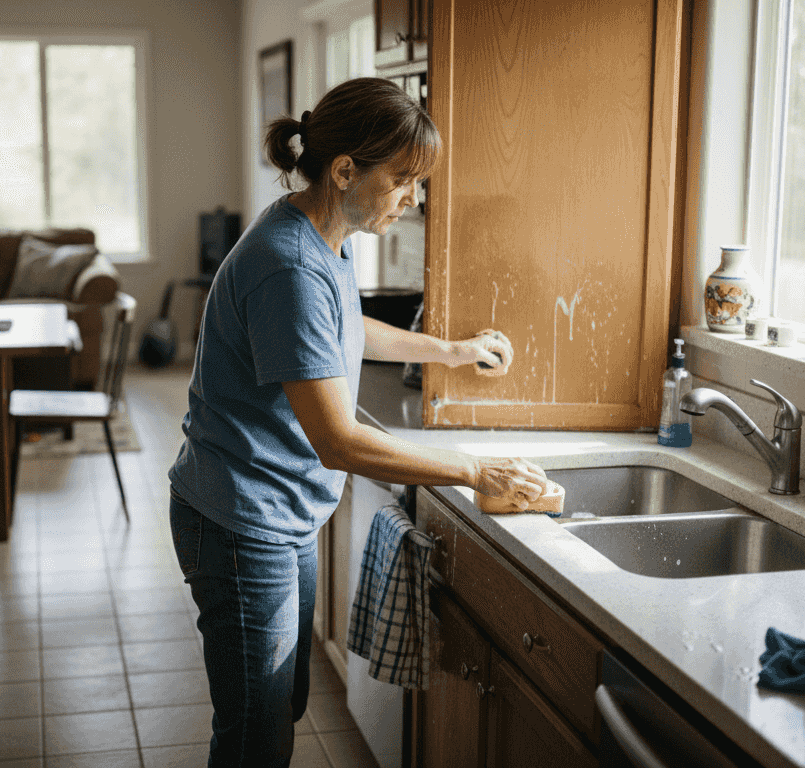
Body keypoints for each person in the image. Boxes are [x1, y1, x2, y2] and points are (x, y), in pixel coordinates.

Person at [167, 77, 549, 767]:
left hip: (276, 514)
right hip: (237, 523)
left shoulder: (319, 234)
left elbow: (344, 326)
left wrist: (450, 350)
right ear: (346, 170)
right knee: (256, 731)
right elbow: (338, 440)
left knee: (279, 708)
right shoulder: (287, 264)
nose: (412, 199)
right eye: (403, 181)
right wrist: (473, 470)